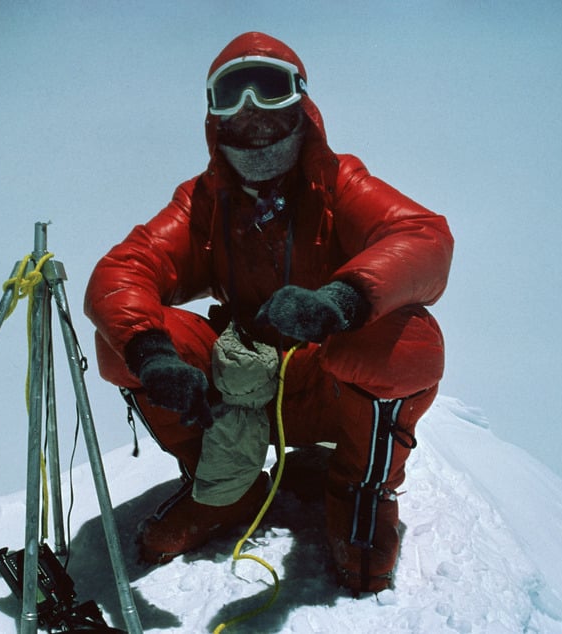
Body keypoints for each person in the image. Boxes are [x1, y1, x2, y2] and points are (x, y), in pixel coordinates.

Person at [83, 31, 452, 594]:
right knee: (123, 340)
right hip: (238, 382)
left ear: (301, 100)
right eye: (232, 91)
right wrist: (153, 355)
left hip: (320, 380)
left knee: (409, 342)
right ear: (213, 115)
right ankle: (223, 488)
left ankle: (360, 492)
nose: (251, 108)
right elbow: (124, 270)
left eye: (270, 87)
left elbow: (422, 236)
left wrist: (340, 300)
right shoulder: (204, 200)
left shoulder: (338, 182)